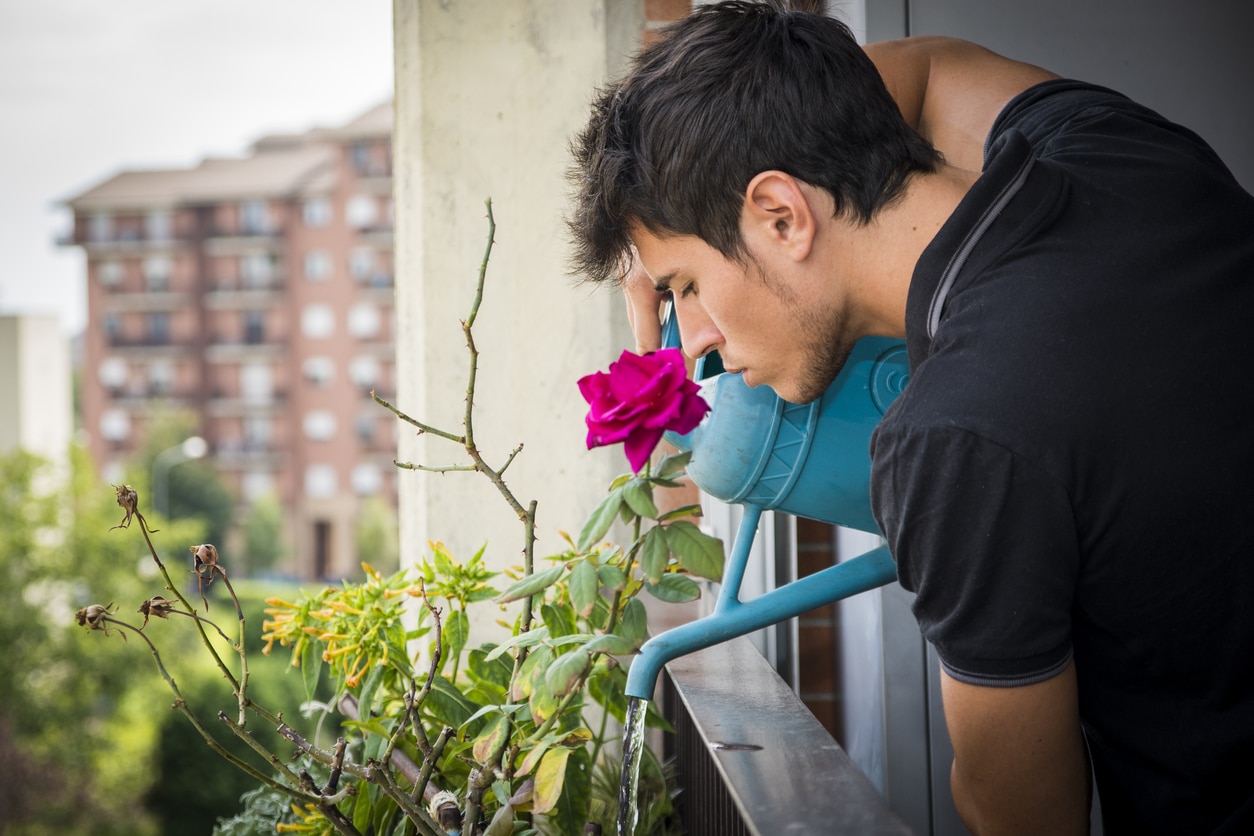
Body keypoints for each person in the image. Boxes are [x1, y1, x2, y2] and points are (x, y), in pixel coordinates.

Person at [565, 2, 1254, 834]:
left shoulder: (957, 436)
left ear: (782, 215)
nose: (696, 342)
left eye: (683, 286)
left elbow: (1024, 815)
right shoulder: (1109, 144)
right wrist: (753, 112)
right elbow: (922, 70)